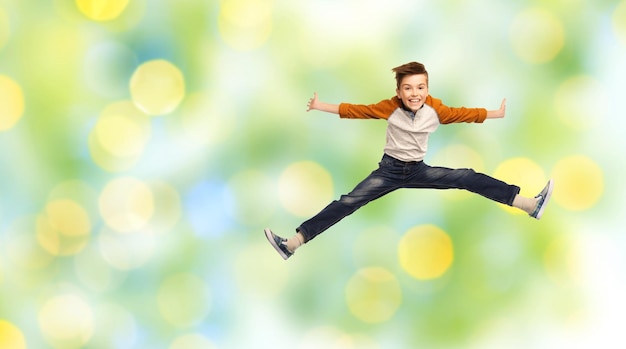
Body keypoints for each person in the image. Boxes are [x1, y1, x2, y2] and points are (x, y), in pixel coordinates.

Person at [264, 61, 554, 260]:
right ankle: (293, 244)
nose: (414, 94)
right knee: (348, 202)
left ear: (427, 89)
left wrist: (495, 113)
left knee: (466, 176)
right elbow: (355, 110)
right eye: (408, 88)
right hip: (388, 171)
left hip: (419, 171)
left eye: (420, 87)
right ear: (398, 92)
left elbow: (464, 113)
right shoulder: (388, 108)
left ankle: (529, 204)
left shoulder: (435, 109)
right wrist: (319, 105)